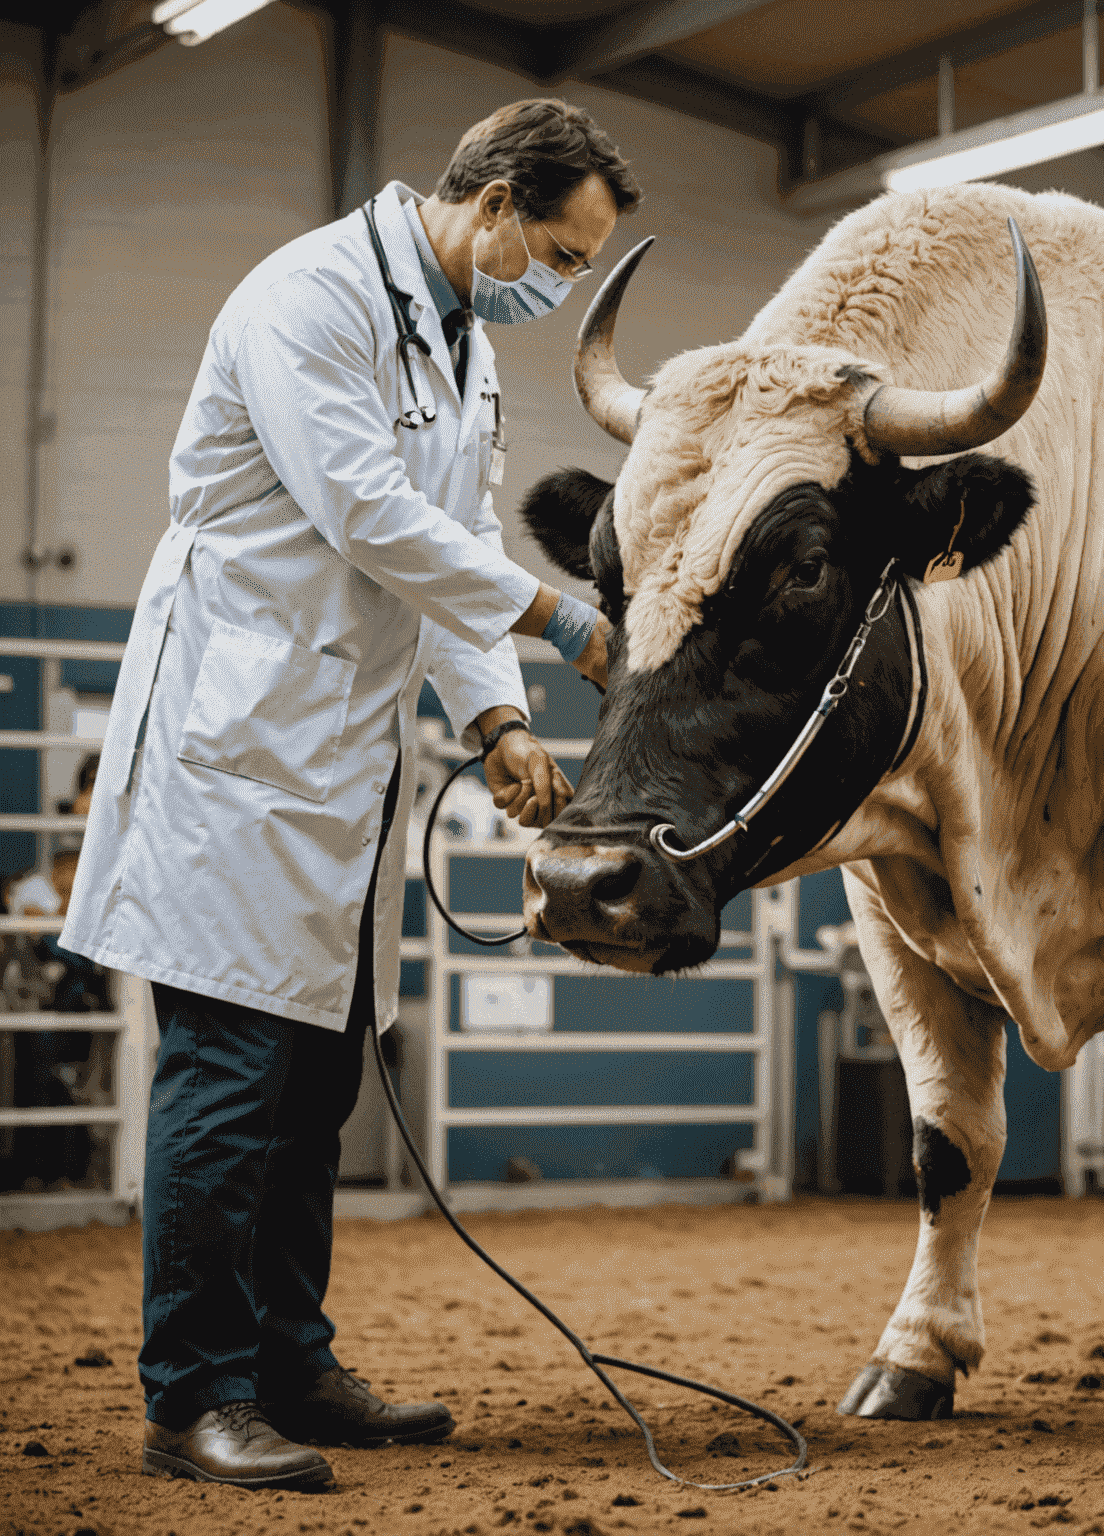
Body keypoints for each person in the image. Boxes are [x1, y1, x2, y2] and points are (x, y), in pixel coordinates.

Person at [62, 98, 640, 1492]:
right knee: (229, 1076)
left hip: (341, 758)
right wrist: (565, 624)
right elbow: (368, 515)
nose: (554, 283)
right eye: (557, 252)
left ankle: (291, 1366)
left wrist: (497, 717)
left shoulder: (465, 347)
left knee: (318, 1075)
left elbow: (439, 556)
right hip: (236, 746)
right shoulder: (307, 297)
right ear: (495, 204)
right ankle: (191, 1397)